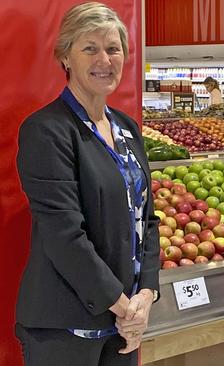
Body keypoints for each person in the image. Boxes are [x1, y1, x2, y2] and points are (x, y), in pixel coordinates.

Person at [14, 3, 160, 365]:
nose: (104, 60)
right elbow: (64, 234)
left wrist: (147, 294)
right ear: (65, 57)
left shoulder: (128, 129)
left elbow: (148, 219)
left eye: (113, 48)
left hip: (124, 326)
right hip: (66, 328)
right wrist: (124, 307)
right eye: (89, 48)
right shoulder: (47, 130)